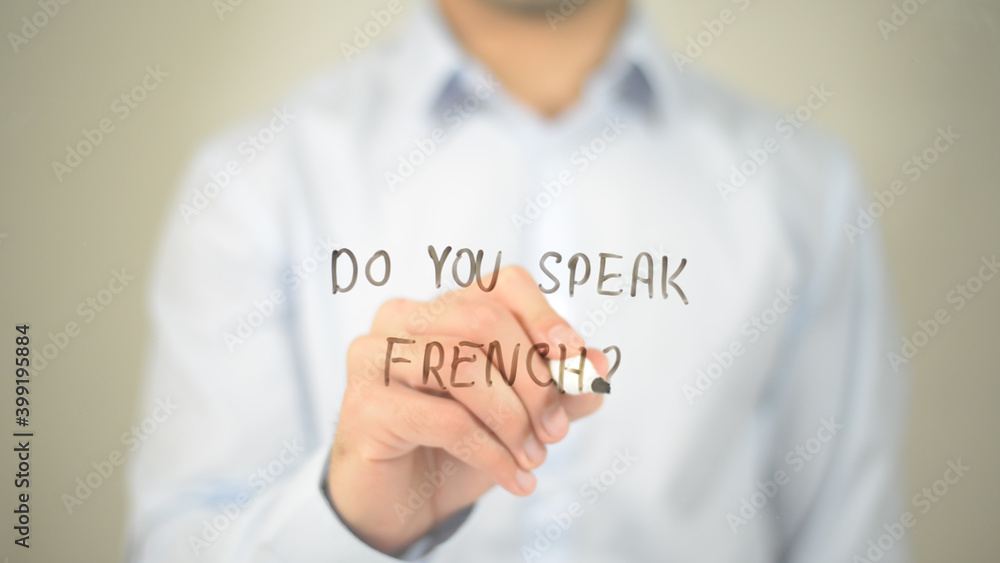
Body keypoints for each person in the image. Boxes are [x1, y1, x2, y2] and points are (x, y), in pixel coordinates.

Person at [125, 0, 909, 561]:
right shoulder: (252, 182)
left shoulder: (807, 189)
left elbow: (851, 539)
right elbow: (175, 543)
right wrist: (352, 522)